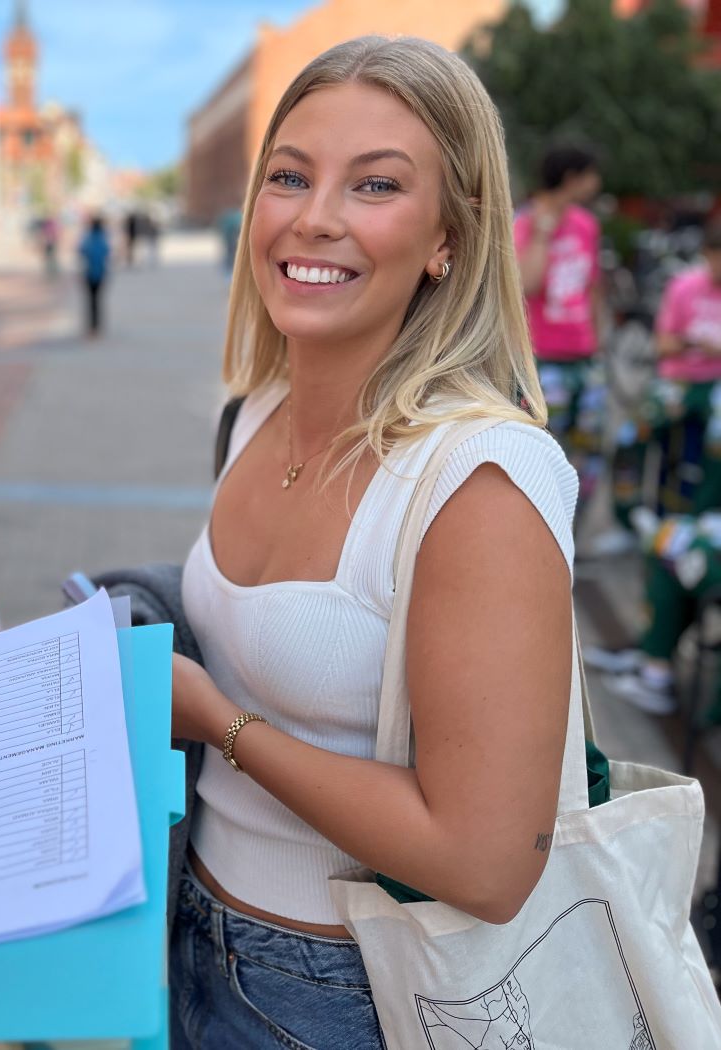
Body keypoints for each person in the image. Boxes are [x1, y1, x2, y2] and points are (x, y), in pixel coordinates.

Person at [168, 37, 577, 1048]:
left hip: (350, 994)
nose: (314, 217)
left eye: (376, 184)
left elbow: (486, 863)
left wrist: (216, 721)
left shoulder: (477, 479)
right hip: (187, 940)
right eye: (289, 176)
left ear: (449, 237)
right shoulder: (250, 414)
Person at [600, 218, 721, 715]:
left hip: (705, 418)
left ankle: (656, 664)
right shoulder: (686, 286)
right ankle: (653, 653)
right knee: (636, 453)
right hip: (679, 401)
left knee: (676, 539)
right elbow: (664, 345)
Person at [513, 145, 605, 492]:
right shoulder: (524, 223)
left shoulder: (586, 224)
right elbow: (528, 284)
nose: (596, 183)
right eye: (591, 174)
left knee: (587, 447)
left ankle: (579, 518)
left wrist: (596, 340)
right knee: (546, 446)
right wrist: (542, 234)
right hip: (542, 357)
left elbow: (592, 285)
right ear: (571, 177)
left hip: (584, 355)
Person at [77, 215, 111, 338]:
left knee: (91, 302)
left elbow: (81, 252)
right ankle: (96, 326)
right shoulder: (103, 238)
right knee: (97, 301)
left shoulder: (88, 238)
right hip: (101, 273)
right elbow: (107, 253)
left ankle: (92, 327)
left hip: (89, 273)